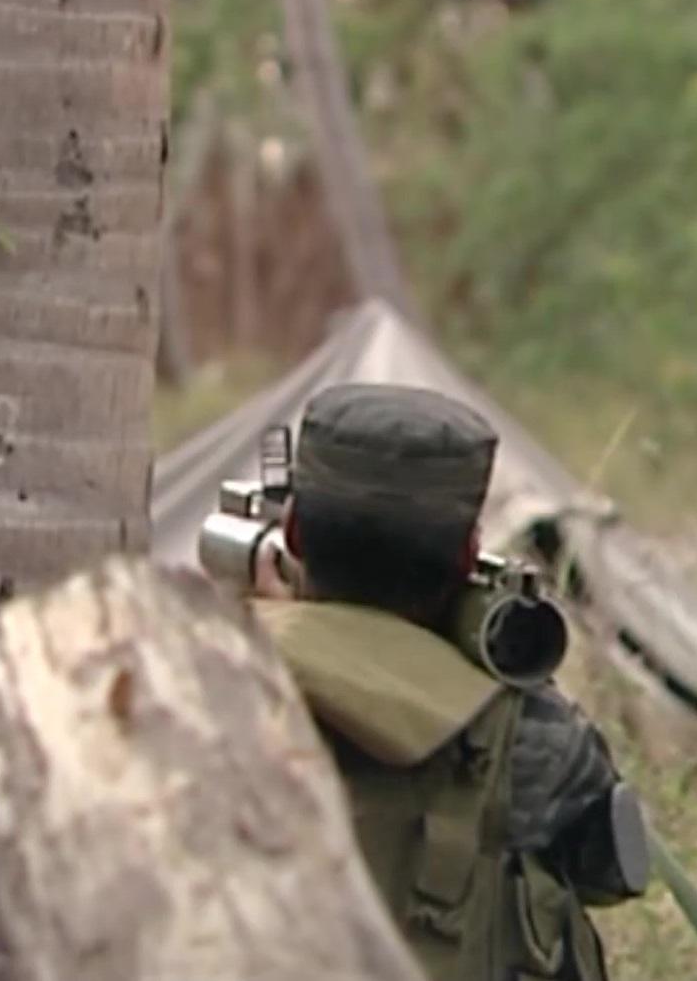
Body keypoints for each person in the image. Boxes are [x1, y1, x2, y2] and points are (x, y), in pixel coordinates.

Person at [245, 382, 644, 981]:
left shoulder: (196, 678)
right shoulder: (530, 730)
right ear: (468, 554)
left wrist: (260, 620)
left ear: (295, 532)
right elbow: (612, 873)